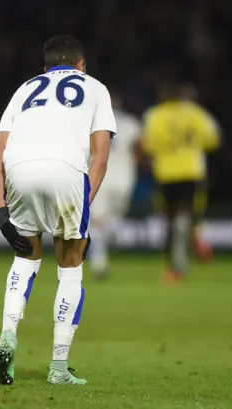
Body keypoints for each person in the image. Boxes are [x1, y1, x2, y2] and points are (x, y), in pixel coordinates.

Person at [0, 35, 116, 386]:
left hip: (19, 168)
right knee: (70, 266)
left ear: (44, 69)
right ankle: (58, 367)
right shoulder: (96, 88)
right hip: (66, 168)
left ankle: (7, 333)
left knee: (25, 257)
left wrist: (1, 210)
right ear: (81, 66)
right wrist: (82, 209)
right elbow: (101, 157)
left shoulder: (24, 89)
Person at [142, 82, 219, 283]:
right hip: (192, 171)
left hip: (165, 173)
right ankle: (193, 237)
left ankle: (176, 265)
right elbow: (214, 139)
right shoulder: (196, 113)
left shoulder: (155, 115)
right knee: (186, 215)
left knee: (169, 220)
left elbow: (148, 145)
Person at [88, 93, 141, 279]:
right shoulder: (131, 123)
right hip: (124, 179)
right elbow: (138, 151)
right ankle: (99, 262)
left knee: (100, 222)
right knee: (108, 220)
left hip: (99, 177)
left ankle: (99, 258)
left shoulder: (91, 123)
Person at [180, 83, 221, 262]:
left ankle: (191, 249)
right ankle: (197, 246)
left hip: (169, 172)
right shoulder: (201, 117)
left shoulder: (166, 115)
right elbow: (214, 141)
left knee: (177, 214)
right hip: (195, 171)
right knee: (193, 213)